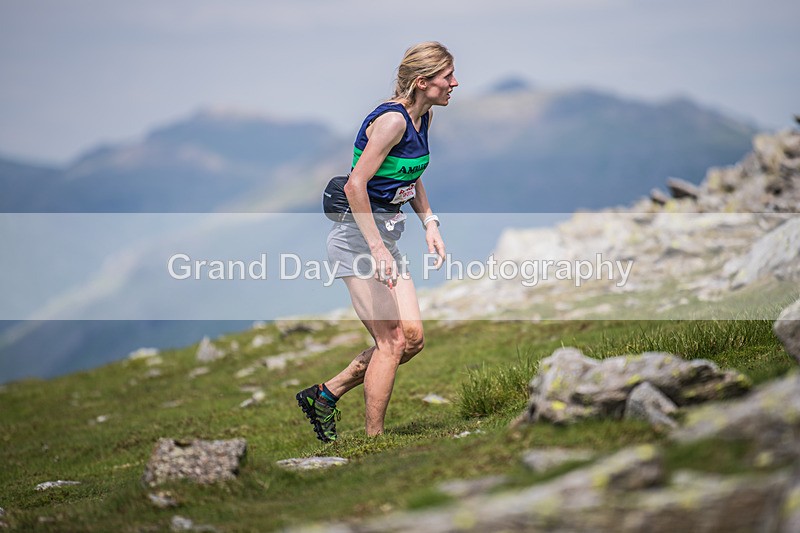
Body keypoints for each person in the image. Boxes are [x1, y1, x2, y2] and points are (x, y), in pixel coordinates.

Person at [296, 41, 458, 442]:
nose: (455, 83)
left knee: (412, 340)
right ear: (422, 82)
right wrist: (377, 248)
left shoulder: (423, 117)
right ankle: (375, 440)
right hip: (358, 241)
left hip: (385, 240)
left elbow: (410, 173)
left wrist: (430, 223)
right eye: (447, 76)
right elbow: (355, 185)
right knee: (391, 342)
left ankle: (325, 394)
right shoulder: (392, 122)